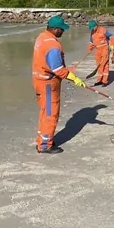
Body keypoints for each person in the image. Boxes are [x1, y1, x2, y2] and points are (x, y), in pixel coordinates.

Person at [32, 15, 87, 154]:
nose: (63, 32)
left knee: (45, 112)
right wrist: (74, 78)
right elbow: (57, 69)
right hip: (48, 84)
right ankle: (45, 145)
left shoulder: (41, 37)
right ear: (55, 29)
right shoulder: (53, 45)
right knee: (51, 114)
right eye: (62, 29)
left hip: (39, 80)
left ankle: (43, 138)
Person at [87, 20, 112, 86]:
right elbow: (91, 42)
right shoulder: (92, 32)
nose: (92, 29)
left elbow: (111, 37)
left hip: (105, 49)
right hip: (98, 50)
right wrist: (89, 49)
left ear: (96, 26)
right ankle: (100, 80)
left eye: (92, 27)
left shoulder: (103, 30)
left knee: (104, 64)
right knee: (98, 65)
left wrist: (112, 45)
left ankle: (105, 81)